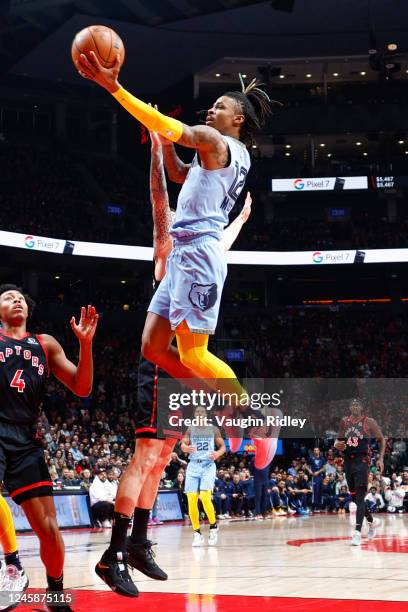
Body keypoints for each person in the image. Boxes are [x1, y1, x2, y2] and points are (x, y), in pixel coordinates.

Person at [76, 54, 276, 468]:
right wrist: (164, 144)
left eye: (220, 106)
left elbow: (175, 128)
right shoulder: (221, 153)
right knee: (153, 346)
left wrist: (115, 87)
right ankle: (224, 406)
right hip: (184, 251)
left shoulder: (218, 142)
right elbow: (181, 173)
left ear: (237, 119)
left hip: (199, 254)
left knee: (193, 355)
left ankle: (253, 417)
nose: (212, 109)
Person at [95, 129, 253, 596]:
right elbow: (159, 201)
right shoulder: (172, 246)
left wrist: (239, 216)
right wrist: (158, 148)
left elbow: (222, 236)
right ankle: (114, 553)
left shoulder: (206, 248)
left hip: (181, 371)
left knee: (163, 457)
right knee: (146, 456)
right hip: (163, 365)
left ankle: (141, 541)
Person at [0, 284, 98, 611]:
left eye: (20, 298)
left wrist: (85, 345)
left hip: (27, 439)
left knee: (49, 529)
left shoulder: (44, 344)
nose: (16, 300)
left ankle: (55, 595)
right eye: (7, 298)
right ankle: (12, 565)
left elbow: (82, 388)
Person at [334, 398, 385, 546]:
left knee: (361, 496)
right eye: (353, 405)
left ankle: (357, 533)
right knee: (356, 499)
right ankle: (371, 521)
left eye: (358, 405)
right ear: (350, 407)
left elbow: (382, 440)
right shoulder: (344, 421)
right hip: (348, 461)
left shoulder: (369, 422)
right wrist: (337, 444)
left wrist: (380, 459)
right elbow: (338, 440)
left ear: (362, 407)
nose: (355, 407)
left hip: (362, 460)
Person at [181, 406, 225, 546]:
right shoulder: (190, 428)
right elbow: (183, 444)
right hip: (193, 465)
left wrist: (218, 454)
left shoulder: (213, 429)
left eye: (202, 412)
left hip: (208, 465)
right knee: (191, 500)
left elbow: (223, 447)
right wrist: (186, 448)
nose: (199, 413)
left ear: (206, 415)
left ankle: (213, 526)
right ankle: (197, 533)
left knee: (205, 497)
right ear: (195, 415)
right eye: (197, 411)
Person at [305, 447, 326, 512]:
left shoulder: (322, 458)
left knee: (320, 491)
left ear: (319, 451)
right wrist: (309, 471)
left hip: (320, 476)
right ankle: (314, 507)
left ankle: (320, 506)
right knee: (315, 491)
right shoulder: (311, 458)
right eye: (314, 450)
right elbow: (305, 465)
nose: (315, 451)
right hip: (314, 477)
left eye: (317, 450)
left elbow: (324, 468)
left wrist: (318, 472)